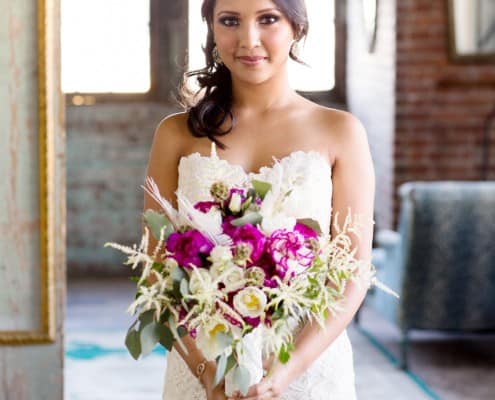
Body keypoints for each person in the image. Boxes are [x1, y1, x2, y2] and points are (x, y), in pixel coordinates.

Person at [143, 0, 375, 399]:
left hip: (307, 365)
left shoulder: (341, 131)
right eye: (230, 21)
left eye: (268, 19)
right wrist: (205, 371)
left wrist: (286, 370)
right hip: (204, 361)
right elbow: (156, 275)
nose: (249, 40)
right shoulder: (175, 133)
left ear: (296, 27)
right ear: (213, 31)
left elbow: (351, 277)